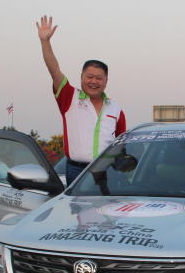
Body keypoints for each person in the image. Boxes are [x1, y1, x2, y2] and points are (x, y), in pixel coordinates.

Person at [37, 15, 126, 184]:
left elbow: (121, 144)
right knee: (78, 211)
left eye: (99, 78)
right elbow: (54, 70)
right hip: (77, 171)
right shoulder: (69, 97)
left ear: (106, 80)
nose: (94, 81)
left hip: (107, 172)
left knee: (105, 210)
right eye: (89, 76)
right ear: (81, 77)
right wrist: (45, 42)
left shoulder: (116, 108)